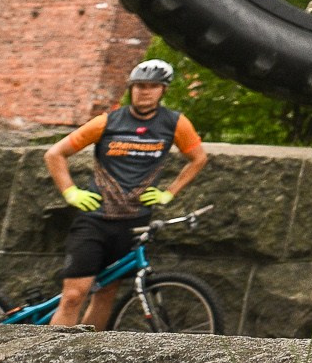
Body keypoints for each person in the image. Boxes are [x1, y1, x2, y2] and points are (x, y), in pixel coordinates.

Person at [44, 58, 208, 328]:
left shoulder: (175, 124)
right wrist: (70, 192)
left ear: (163, 90)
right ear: (131, 88)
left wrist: (169, 193)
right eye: (139, 86)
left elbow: (198, 158)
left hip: (133, 223)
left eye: (152, 86)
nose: (144, 91)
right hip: (95, 220)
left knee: (106, 294)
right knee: (74, 295)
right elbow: (55, 153)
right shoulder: (107, 122)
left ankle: (84, 353)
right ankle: (50, 354)